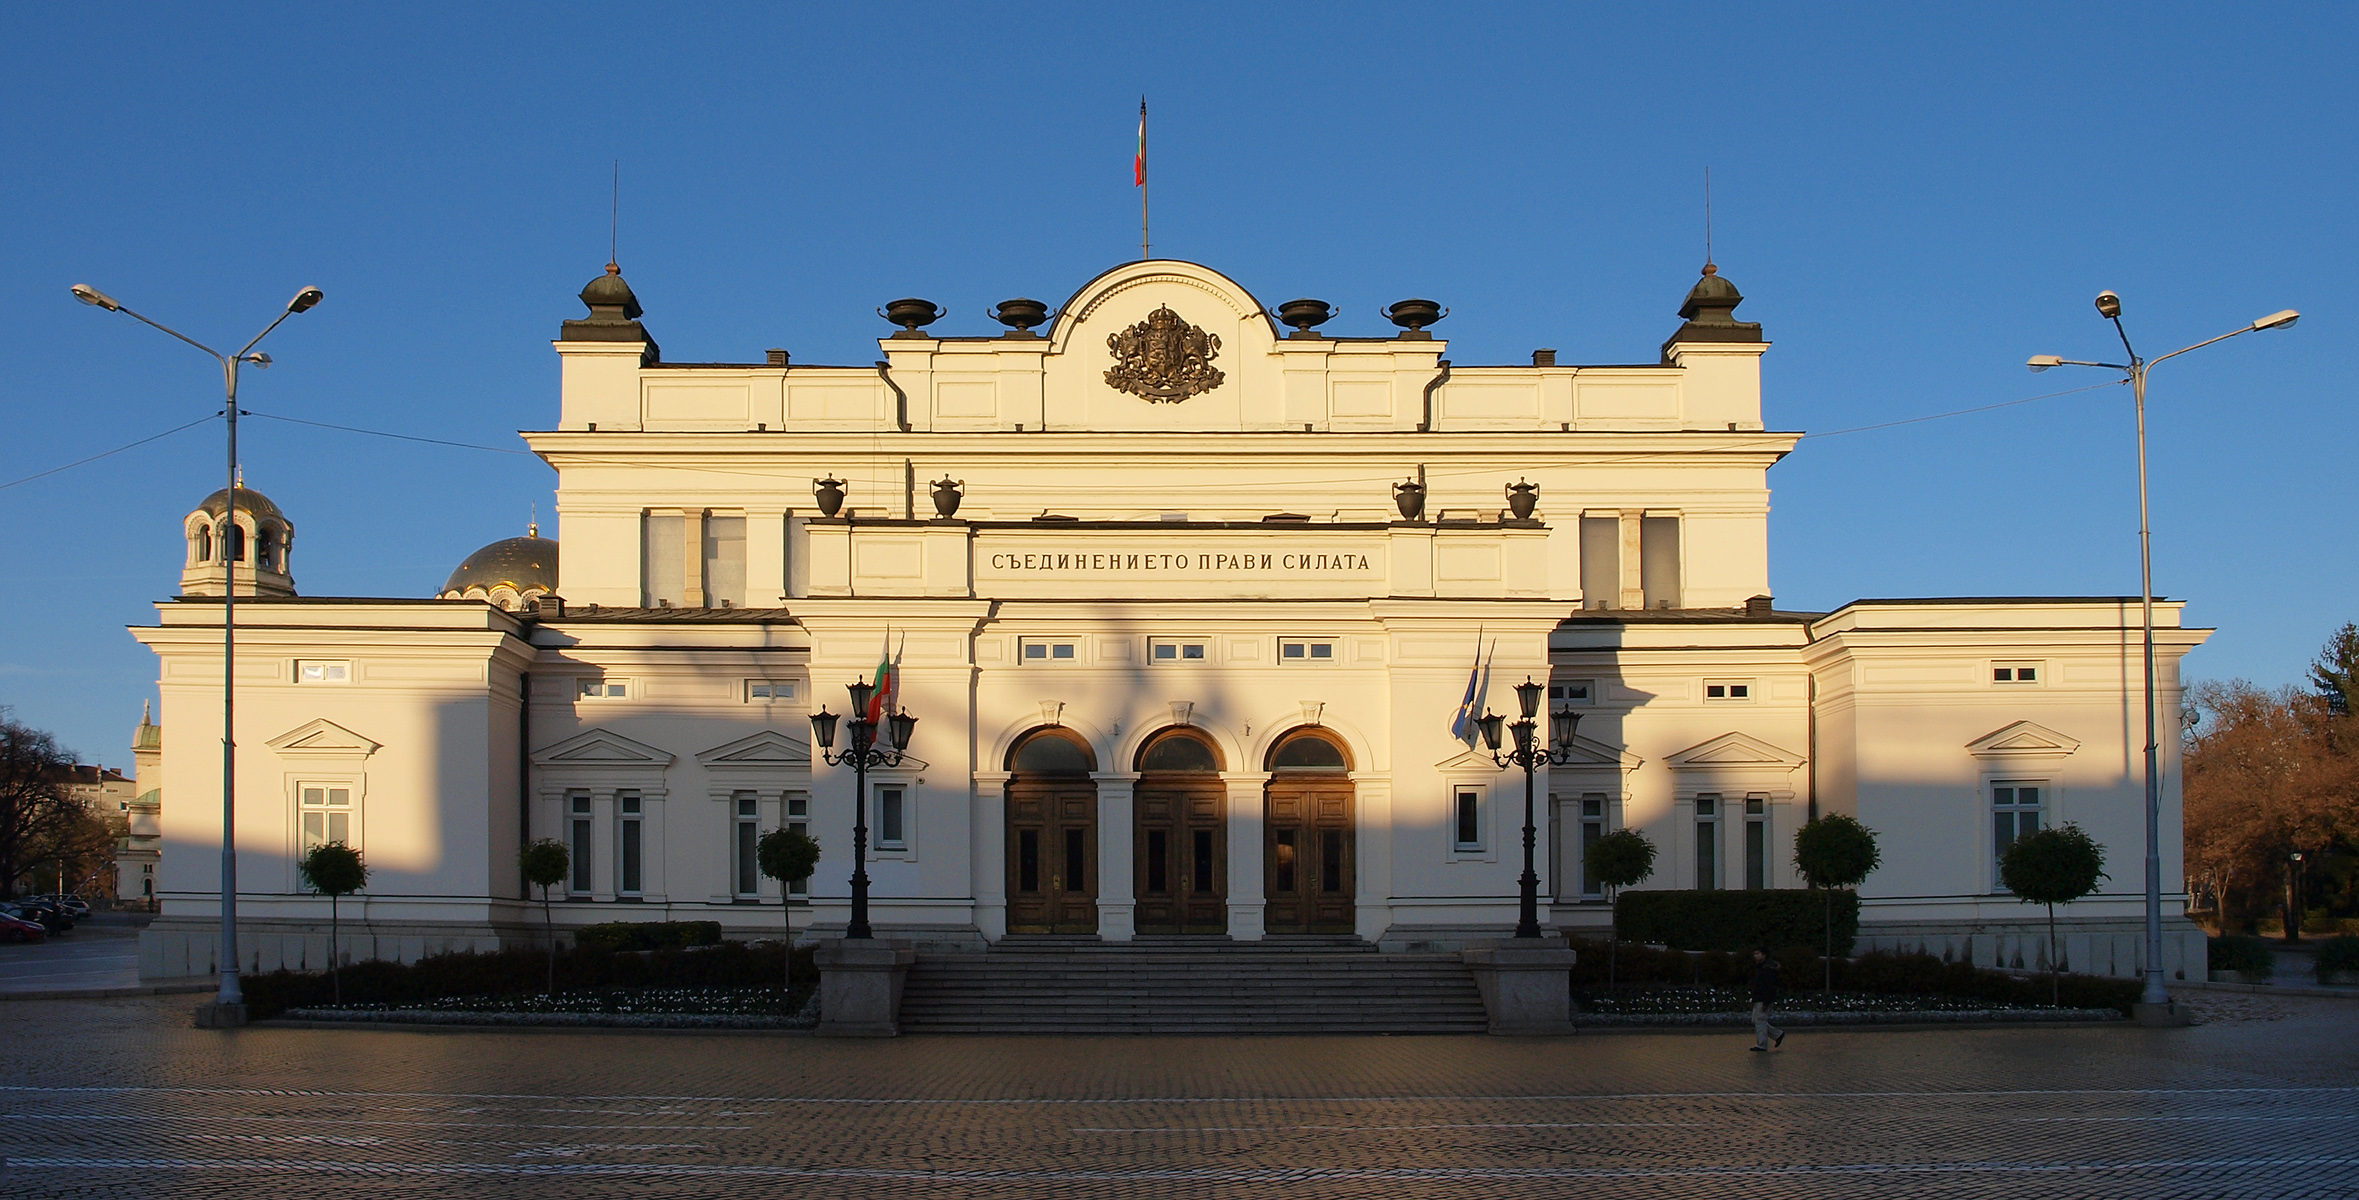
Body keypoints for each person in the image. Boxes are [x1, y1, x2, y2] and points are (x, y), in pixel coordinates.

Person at [1749, 949, 1785, 1051]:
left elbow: (1770, 987)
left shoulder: (1768, 970)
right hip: (1759, 998)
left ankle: (1762, 1044)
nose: (1755, 956)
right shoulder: (1761, 968)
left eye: (1757, 954)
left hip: (1763, 999)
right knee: (1757, 1020)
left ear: (1764, 955)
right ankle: (1778, 1034)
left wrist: (1766, 1002)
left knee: (1760, 1020)